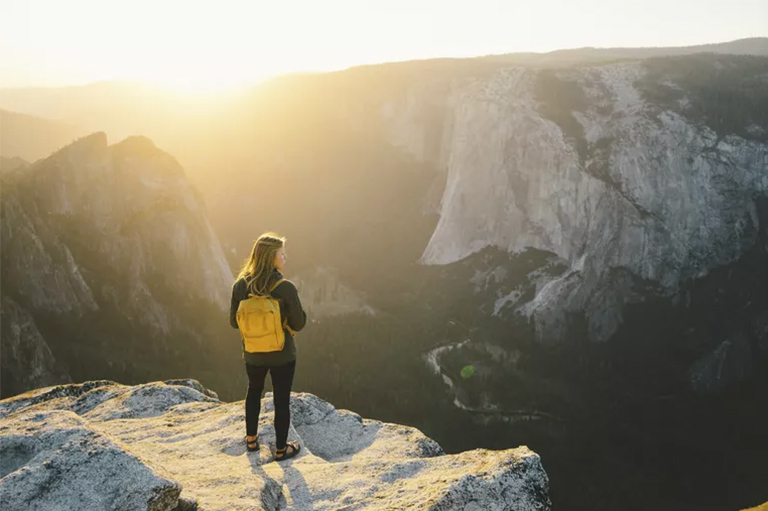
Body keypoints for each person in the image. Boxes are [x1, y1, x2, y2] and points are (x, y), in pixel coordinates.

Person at [229, 232, 307, 461]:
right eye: (282, 254)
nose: (285, 258)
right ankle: (282, 450)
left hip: (253, 353)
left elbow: (234, 322)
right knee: (281, 399)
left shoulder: (240, 286)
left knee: (254, 390)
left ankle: (251, 441)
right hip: (282, 354)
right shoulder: (285, 288)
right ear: (271, 258)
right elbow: (299, 324)